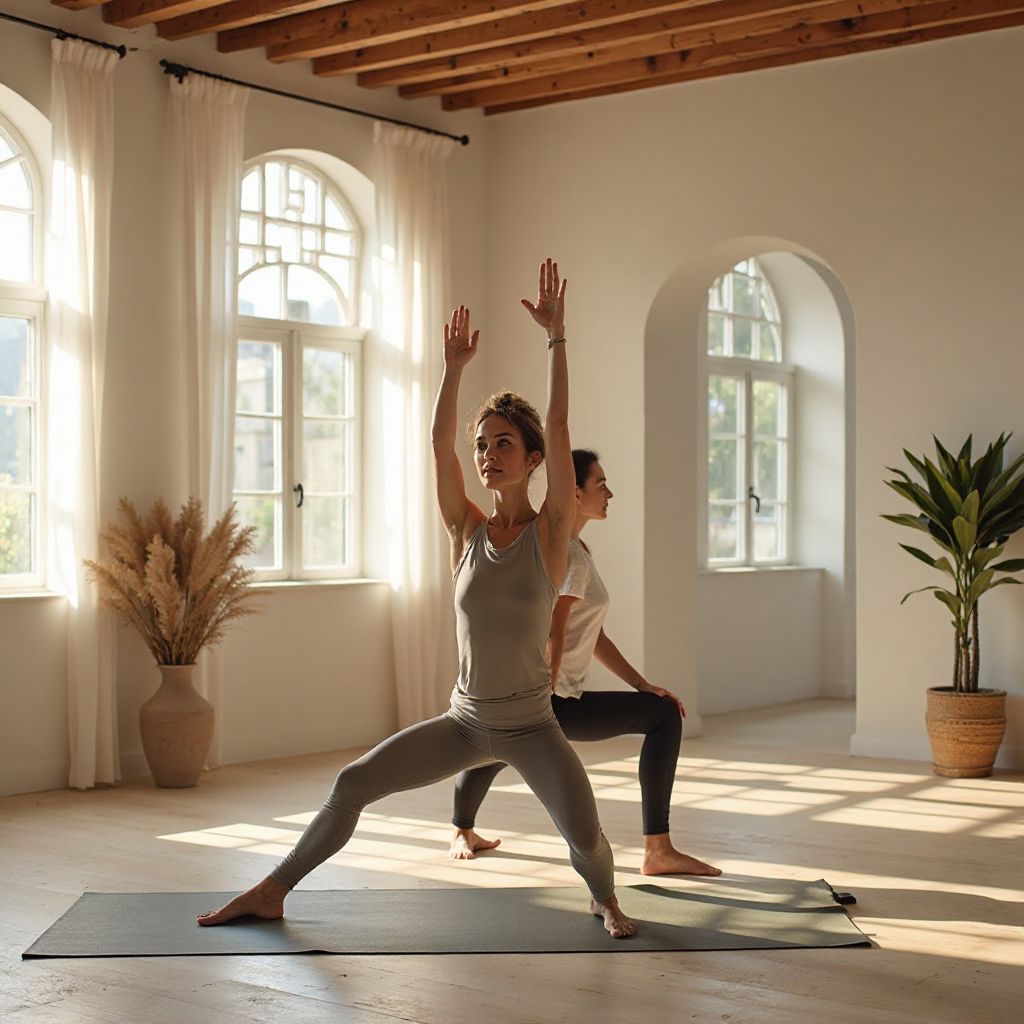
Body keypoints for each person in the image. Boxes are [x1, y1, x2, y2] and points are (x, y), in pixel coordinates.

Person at [197, 259, 637, 939]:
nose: (489, 455)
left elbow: (558, 417)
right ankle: (272, 889)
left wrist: (557, 336)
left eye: (504, 445)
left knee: (586, 839)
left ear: (532, 458)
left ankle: (605, 899)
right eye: (483, 445)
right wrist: (453, 367)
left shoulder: (551, 534)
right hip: (465, 722)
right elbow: (438, 445)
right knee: (351, 785)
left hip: (530, 726)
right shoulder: (465, 529)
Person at [449, 449, 721, 879]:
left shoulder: (572, 547)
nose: (610, 493)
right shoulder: (567, 554)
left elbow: (590, 635)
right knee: (664, 717)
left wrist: (641, 683)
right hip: (550, 696)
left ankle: (462, 830)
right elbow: (555, 630)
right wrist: (541, 700)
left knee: (494, 745)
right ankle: (659, 849)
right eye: (601, 485)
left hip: (542, 693)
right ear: (574, 492)